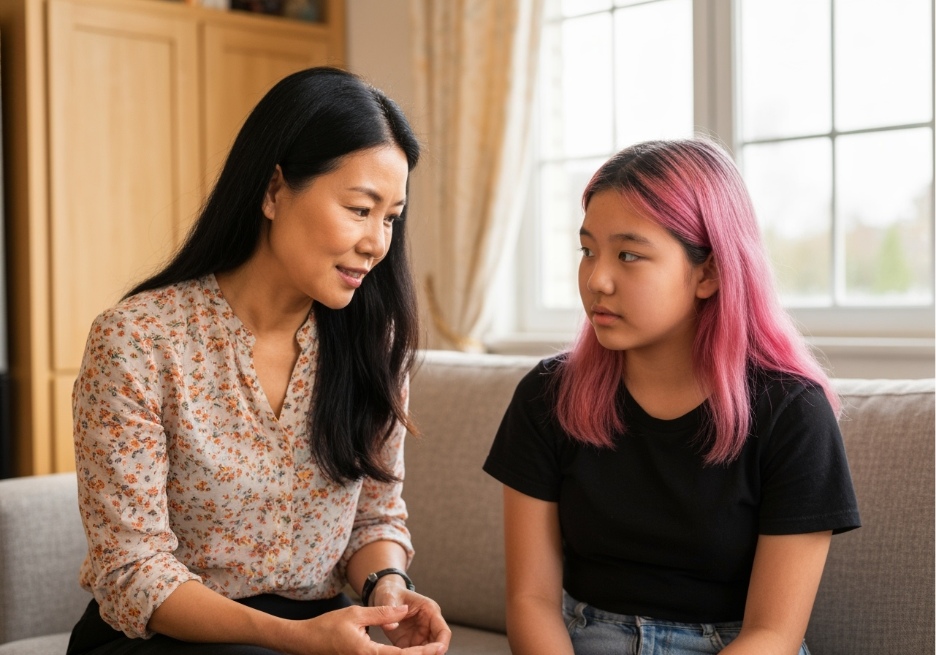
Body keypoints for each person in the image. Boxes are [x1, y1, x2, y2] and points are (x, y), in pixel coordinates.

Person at [67, 67, 451, 655]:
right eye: (359, 208)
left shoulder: (375, 341)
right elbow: (131, 570)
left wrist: (387, 589)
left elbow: (374, 518)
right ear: (274, 191)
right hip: (169, 635)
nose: (377, 242)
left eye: (391, 217)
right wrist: (295, 637)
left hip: (318, 629)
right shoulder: (138, 341)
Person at [483, 139, 861, 655]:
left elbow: (773, 633)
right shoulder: (547, 396)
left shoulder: (792, 412)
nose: (598, 280)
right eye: (588, 251)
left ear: (708, 272)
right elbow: (531, 599)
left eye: (630, 255)